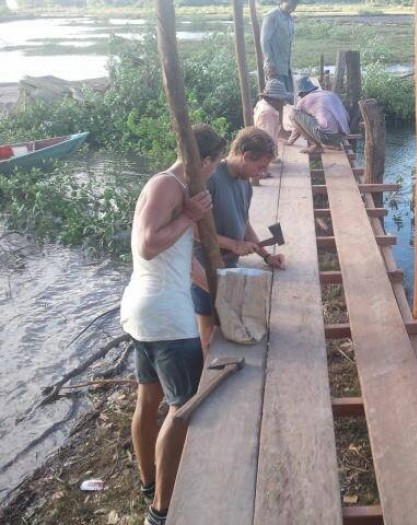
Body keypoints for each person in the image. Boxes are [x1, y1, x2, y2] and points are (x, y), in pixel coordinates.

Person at [120, 124, 227, 525]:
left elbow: (184, 261)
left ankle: (150, 483)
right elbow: (149, 244)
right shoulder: (167, 186)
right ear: (205, 160)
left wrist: (220, 291)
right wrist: (190, 214)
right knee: (183, 409)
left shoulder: (175, 188)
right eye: (214, 163)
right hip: (166, 317)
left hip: (148, 310)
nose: (214, 170)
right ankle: (161, 510)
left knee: (149, 401)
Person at [191, 126, 286, 351]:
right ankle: (207, 373)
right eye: (260, 166)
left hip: (229, 265)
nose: (262, 173)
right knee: (208, 325)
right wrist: (233, 244)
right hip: (202, 268)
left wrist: (265, 256)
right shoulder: (211, 178)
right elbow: (193, 230)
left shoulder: (245, 183)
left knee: (228, 324)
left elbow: (244, 222)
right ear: (246, 157)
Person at [287, 76, 350, 154]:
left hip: (327, 137)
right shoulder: (329, 93)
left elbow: (296, 120)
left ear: (301, 93)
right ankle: (333, 144)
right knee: (321, 118)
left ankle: (316, 145)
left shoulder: (304, 100)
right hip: (342, 136)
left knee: (293, 113)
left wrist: (290, 141)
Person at [254, 78, 293, 177]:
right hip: (260, 150)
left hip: (263, 150)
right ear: (273, 99)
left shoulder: (262, 104)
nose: (283, 103)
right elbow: (265, 141)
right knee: (266, 140)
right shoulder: (267, 113)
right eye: (281, 99)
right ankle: (259, 167)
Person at [260, 0, 299, 95]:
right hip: (275, 66)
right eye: (289, 6)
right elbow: (264, 40)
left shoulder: (290, 18)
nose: (291, 9)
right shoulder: (271, 16)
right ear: (281, 2)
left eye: (294, 7)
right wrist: (269, 62)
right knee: (276, 97)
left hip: (286, 66)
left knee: (289, 96)